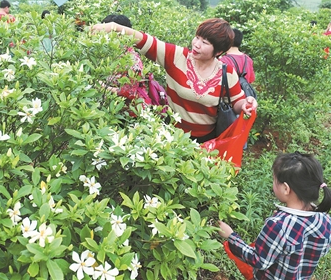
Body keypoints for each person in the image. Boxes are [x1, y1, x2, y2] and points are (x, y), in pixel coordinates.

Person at [92, 18, 258, 143]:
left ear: (219, 51)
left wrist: (245, 104)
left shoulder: (226, 72)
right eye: (197, 38)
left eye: (205, 42)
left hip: (205, 141)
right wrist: (113, 27)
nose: (197, 44)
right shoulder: (177, 57)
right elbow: (145, 40)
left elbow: (236, 101)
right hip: (169, 135)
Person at [218, 152, 331, 280]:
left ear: (286, 189)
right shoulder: (325, 220)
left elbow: (259, 260)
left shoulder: (278, 225)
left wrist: (231, 236)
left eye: (274, 180)